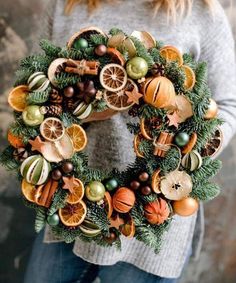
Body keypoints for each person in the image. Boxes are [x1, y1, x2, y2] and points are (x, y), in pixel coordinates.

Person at [24, 0, 236, 282]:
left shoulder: (200, 11)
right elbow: (34, 85)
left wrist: (181, 158)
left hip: (151, 217)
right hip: (68, 199)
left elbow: (226, 105)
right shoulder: (66, 4)